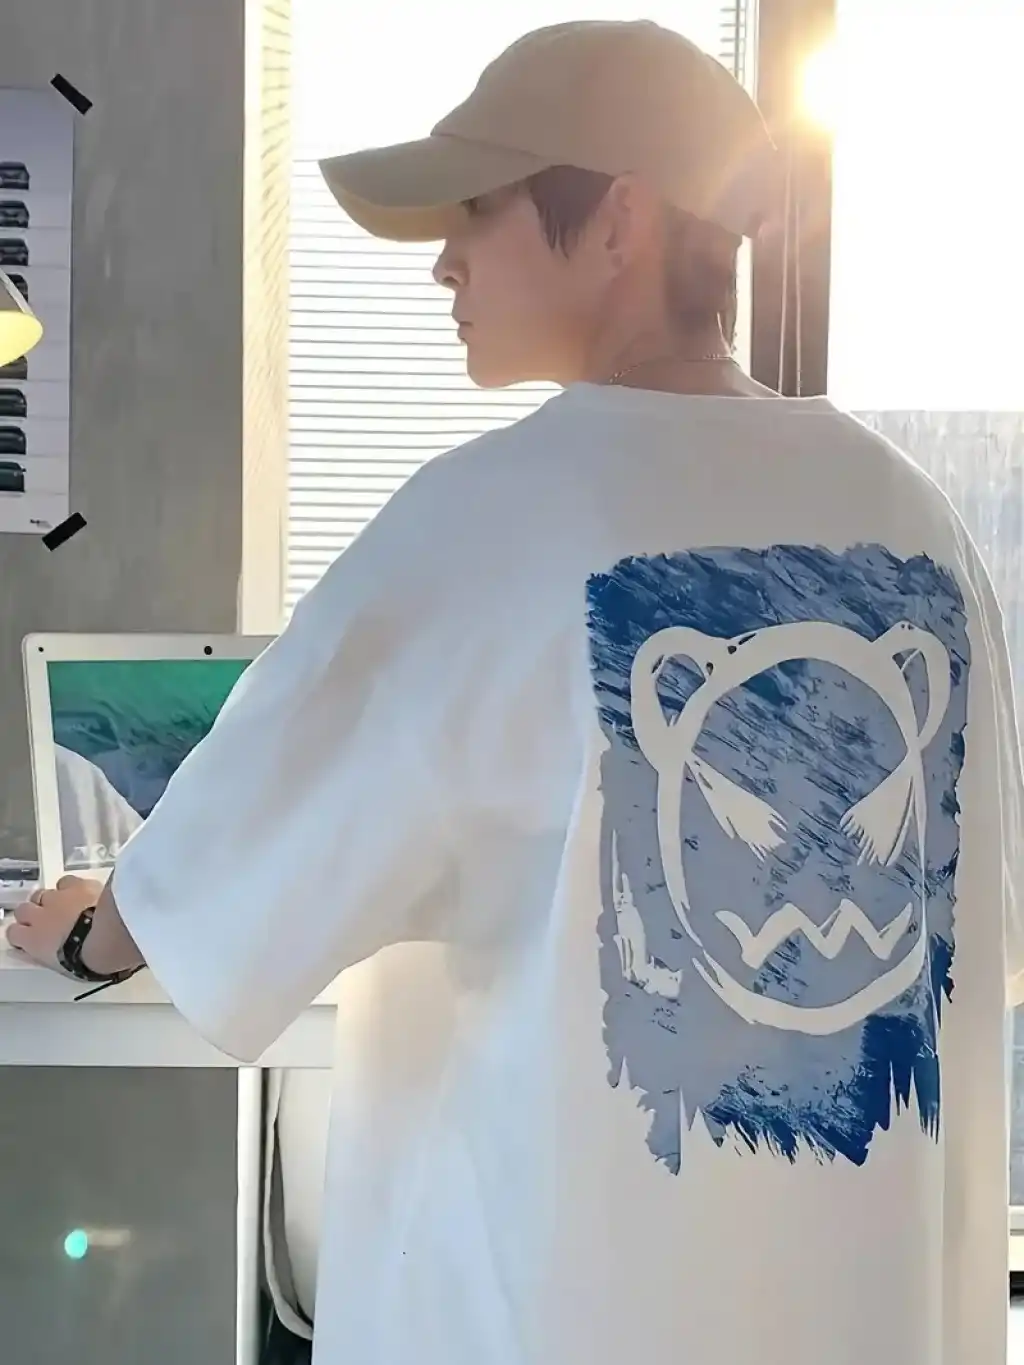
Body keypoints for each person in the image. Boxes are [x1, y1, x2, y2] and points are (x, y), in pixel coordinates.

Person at [9, 19, 1023, 1365]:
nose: (444, 259)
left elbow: (231, 870)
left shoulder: (486, 521)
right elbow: (982, 934)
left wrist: (98, 930)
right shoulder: (915, 526)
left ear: (618, 223)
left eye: (475, 210)